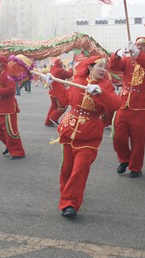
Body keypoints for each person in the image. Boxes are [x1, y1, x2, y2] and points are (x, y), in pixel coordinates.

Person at [47, 56, 121, 218]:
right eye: (99, 66)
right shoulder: (78, 80)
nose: (103, 69)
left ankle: (70, 203)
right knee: (66, 169)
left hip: (89, 134)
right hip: (69, 130)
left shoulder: (105, 85)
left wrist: (100, 93)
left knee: (79, 170)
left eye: (105, 67)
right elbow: (66, 99)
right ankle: (67, 194)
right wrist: (53, 84)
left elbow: (116, 104)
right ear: (90, 67)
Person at [109, 37, 145, 178]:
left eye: (143, 45)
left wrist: (138, 54)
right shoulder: (128, 60)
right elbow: (114, 67)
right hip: (124, 103)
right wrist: (117, 55)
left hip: (140, 107)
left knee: (138, 139)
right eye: (137, 45)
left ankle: (136, 167)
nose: (139, 47)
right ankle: (124, 159)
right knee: (118, 136)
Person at [0, 55, 26, 159]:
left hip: (7, 107)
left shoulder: (8, 74)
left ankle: (18, 152)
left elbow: (11, 90)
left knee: (10, 131)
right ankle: (10, 146)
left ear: (1, 63)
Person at [44, 59, 73, 127]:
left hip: (52, 90)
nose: (63, 65)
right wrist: (71, 69)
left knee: (53, 106)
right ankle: (53, 118)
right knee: (63, 106)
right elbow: (69, 75)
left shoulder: (53, 68)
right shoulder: (59, 70)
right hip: (58, 91)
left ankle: (48, 121)